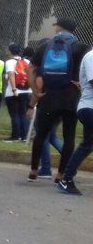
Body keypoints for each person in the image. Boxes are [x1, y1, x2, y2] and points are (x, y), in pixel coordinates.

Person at [27, 18, 90, 181]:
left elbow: (31, 68)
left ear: (59, 28)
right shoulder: (81, 47)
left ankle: (34, 171)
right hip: (72, 97)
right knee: (69, 136)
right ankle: (61, 174)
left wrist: (35, 91)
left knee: (41, 134)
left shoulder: (45, 46)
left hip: (49, 96)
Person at [56, 46, 93, 195]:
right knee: (87, 144)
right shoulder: (91, 57)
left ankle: (66, 180)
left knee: (87, 145)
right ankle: (66, 180)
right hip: (89, 108)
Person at [3, 43, 31, 141]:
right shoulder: (27, 61)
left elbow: (11, 74)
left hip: (13, 92)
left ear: (10, 51)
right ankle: (24, 136)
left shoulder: (9, 62)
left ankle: (15, 136)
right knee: (23, 114)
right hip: (26, 91)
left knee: (14, 114)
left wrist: (14, 89)